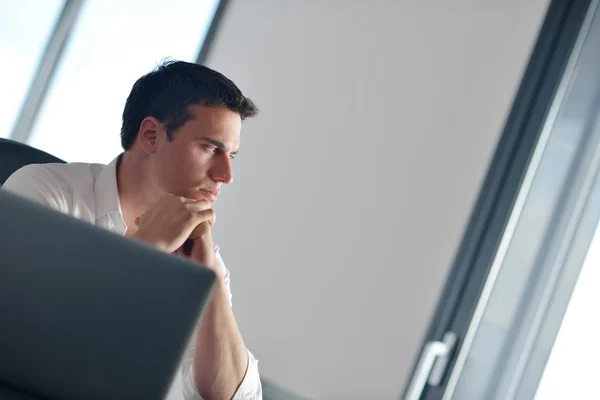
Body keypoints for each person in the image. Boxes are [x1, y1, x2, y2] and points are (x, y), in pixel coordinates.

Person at [2, 60, 261, 400]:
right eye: (211, 148)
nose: (226, 175)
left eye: (231, 155)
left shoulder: (203, 258)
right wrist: (147, 250)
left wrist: (208, 279)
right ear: (151, 135)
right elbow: (23, 334)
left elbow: (235, 397)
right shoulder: (45, 192)